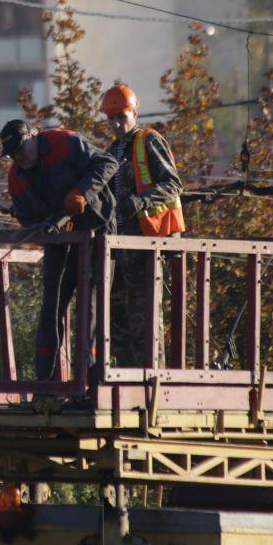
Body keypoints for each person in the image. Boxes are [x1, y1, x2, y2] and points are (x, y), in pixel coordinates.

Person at [0, 120, 117, 382]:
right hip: (58, 239)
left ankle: (89, 379)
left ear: (33, 135)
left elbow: (108, 163)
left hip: (96, 229)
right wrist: (42, 230)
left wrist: (81, 192)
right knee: (51, 305)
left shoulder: (66, 142)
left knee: (91, 304)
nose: (19, 156)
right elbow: (27, 218)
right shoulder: (16, 179)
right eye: (13, 153)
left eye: (22, 148)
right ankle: (47, 383)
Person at [100, 85, 185, 367]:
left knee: (144, 319)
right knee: (117, 320)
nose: (115, 123)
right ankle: (125, 379)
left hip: (147, 242)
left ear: (134, 112)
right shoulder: (112, 151)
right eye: (110, 118)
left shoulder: (148, 140)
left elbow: (173, 184)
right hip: (119, 247)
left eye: (120, 116)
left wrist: (140, 201)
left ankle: (151, 379)